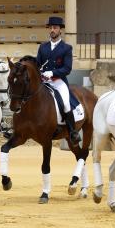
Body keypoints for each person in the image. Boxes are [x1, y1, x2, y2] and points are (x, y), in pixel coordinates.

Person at [36, 16, 79, 144]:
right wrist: (41, 73)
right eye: (50, 28)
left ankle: (72, 132)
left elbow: (67, 68)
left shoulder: (66, 48)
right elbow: (38, 64)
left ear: (60, 30)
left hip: (58, 81)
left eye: (55, 28)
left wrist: (53, 72)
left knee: (66, 103)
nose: (52, 30)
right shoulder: (43, 47)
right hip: (44, 81)